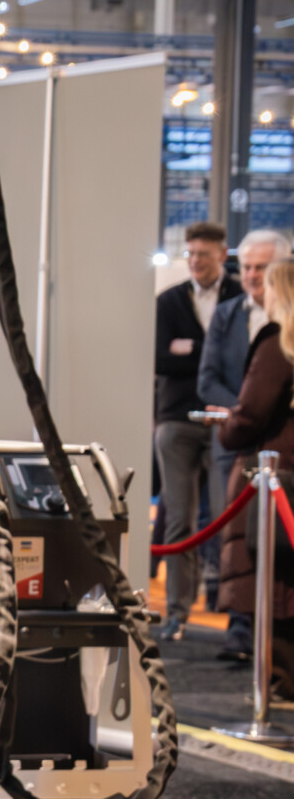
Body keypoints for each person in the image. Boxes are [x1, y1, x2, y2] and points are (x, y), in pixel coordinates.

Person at [199, 228, 291, 659]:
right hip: (253, 453)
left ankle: (272, 671)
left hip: (266, 460)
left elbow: (253, 411)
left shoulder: (276, 340)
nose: (253, 278)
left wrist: (234, 419)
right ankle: (243, 634)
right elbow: (208, 377)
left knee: (265, 561)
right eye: (247, 267)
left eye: (263, 271)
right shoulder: (230, 315)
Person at [155, 221, 242, 641]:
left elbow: (242, 360)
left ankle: (232, 613)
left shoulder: (240, 297)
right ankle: (177, 612)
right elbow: (159, 358)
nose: (195, 262)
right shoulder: (169, 300)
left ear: (222, 255)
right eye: (190, 254)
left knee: (227, 518)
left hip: (227, 420)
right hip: (176, 420)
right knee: (179, 523)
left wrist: (189, 348)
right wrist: (210, 352)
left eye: (203, 255)